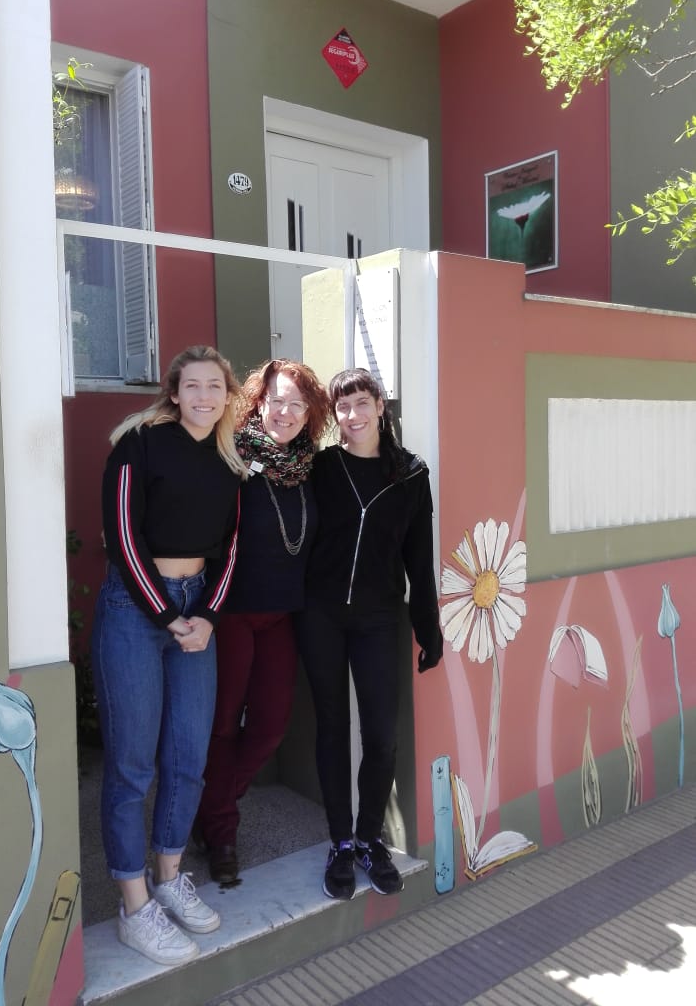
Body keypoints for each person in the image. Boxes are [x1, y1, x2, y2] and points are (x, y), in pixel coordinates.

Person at [91, 344, 247, 966]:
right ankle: (134, 907)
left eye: (215, 387)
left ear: (228, 396)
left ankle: (168, 877)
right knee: (132, 765)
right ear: (175, 393)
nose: (204, 397)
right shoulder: (140, 445)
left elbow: (232, 549)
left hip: (196, 610)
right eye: (193, 386)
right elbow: (122, 535)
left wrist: (205, 616)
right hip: (136, 610)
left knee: (188, 757)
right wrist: (166, 614)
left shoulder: (230, 461)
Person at [296, 367, 443, 901]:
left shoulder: (410, 474)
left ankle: (368, 839)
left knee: (381, 734)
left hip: (380, 618)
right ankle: (340, 842)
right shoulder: (321, 467)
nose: (353, 415)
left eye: (362, 403)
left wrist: (428, 627)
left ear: (381, 405)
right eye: (343, 406)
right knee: (333, 727)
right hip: (321, 615)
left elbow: (419, 559)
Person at [195, 358, 331, 885]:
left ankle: (212, 809)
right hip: (230, 613)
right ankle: (222, 834)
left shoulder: (310, 469)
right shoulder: (233, 458)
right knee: (223, 725)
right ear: (258, 402)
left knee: (271, 726)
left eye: (298, 403)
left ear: (310, 412)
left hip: (282, 615)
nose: (286, 412)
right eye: (277, 400)